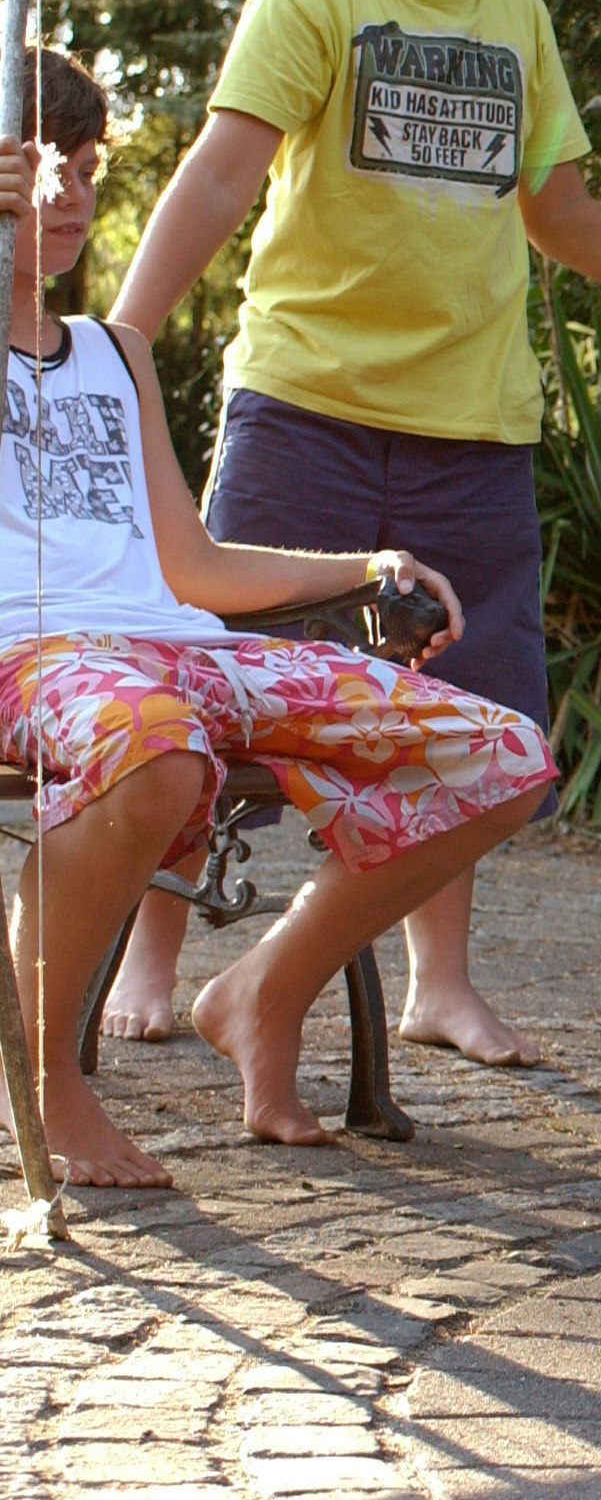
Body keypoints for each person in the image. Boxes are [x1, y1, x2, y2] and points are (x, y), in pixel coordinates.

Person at [99, 0, 601, 1067]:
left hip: (475, 432)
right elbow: (223, 173)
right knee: (231, 691)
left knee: (471, 717)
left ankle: (439, 981)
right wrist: (124, 334)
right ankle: (155, 947)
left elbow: (558, 207)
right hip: (303, 411)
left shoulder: (515, 15)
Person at [1, 57, 557, 1187]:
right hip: (33, 656)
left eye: (89, 169)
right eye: (39, 166)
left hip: (175, 646)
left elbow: (192, 561)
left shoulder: (117, 357)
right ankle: (46, 1080)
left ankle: (265, 986)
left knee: (504, 752)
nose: (68, 193)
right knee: (156, 753)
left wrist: (364, 561)